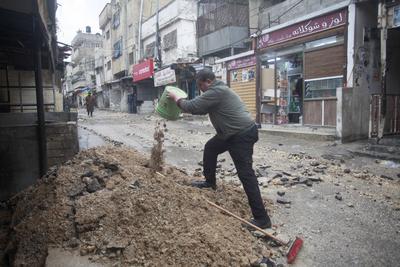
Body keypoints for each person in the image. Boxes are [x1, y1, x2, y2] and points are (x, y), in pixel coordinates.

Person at [168, 69, 272, 229]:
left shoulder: (216, 91)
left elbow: (193, 107)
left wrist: (177, 99)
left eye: (200, 85)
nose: (200, 89)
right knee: (210, 148)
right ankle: (210, 182)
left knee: (246, 175)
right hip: (229, 134)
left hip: (240, 134)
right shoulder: (218, 90)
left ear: (207, 81)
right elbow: (201, 109)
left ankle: (262, 219)